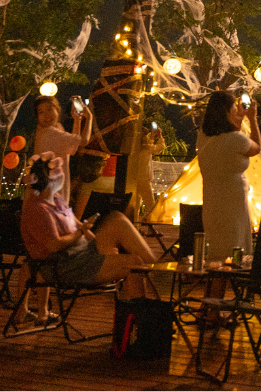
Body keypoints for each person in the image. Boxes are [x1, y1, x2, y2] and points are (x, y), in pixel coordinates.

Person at [16, 152, 156, 319]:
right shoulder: (38, 209)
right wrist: (79, 234)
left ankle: (158, 272)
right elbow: (54, 245)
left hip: (82, 252)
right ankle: (142, 319)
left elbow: (74, 222)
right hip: (68, 265)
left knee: (117, 219)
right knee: (134, 263)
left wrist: (85, 227)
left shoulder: (56, 198)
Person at [198, 90, 261, 257]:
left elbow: (230, 135)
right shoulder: (237, 139)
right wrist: (252, 118)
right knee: (234, 246)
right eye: (234, 107)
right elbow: (256, 147)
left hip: (212, 201)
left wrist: (239, 119)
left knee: (217, 247)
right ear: (228, 111)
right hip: (233, 202)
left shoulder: (203, 137)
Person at [32, 95, 90, 208]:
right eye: (41, 112)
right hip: (50, 196)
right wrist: (89, 117)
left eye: (49, 109)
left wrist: (77, 120)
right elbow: (83, 141)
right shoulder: (50, 133)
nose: (46, 115)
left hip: (51, 194)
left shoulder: (55, 129)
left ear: (58, 110)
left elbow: (72, 148)